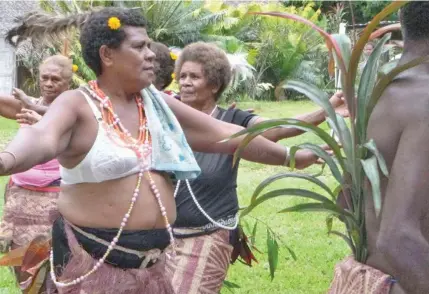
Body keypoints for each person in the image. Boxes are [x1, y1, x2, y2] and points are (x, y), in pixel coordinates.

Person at [1, 8, 328, 294]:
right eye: (139, 46)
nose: (151, 55)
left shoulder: (156, 105)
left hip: (153, 269)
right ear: (108, 55)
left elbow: (228, 134)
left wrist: (292, 158)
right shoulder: (77, 104)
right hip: (94, 265)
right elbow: (42, 138)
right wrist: (8, 160)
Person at [163, 42, 348, 294]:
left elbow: (278, 129)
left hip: (208, 237)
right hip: (161, 241)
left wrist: (326, 109)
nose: (184, 82)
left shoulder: (232, 120)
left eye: (194, 76)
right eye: (182, 76)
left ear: (215, 84)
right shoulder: (165, 114)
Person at [329, 2, 429, 294]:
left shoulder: (380, 89)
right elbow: (398, 237)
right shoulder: (425, 99)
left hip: (368, 279)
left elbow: (346, 201)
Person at [0, 54, 72, 291]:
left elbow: (61, 129)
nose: (49, 83)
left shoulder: (74, 112)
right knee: (21, 262)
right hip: (20, 199)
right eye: (45, 78)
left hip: (53, 202)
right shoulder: (26, 105)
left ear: (67, 83)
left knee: (50, 265)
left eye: (56, 79)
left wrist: (40, 118)